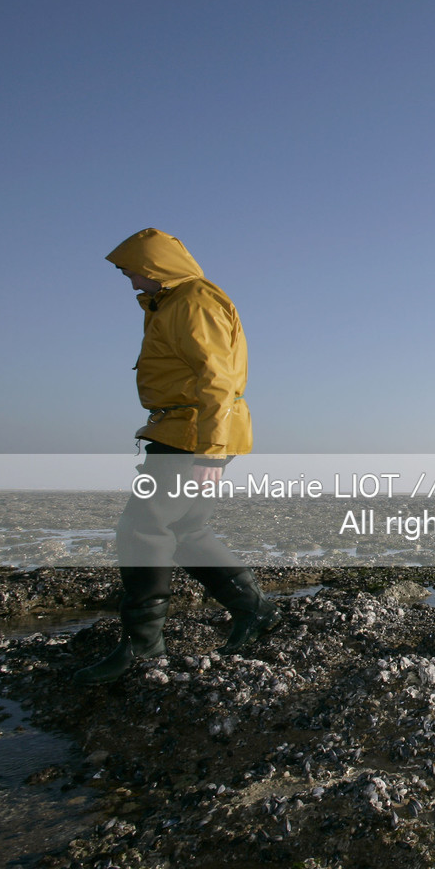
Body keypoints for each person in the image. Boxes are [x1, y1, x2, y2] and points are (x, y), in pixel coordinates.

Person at [75, 228, 279, 684]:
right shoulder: (174, 301)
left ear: (155, 265)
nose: (128, 279)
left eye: (131, 269)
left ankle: (143, 650)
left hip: (192, 434)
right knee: (186, 527)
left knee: (142, 527)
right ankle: (257, 611)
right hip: (185, 429)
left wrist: (209, 450)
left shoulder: (192, 301)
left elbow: (217, 379)